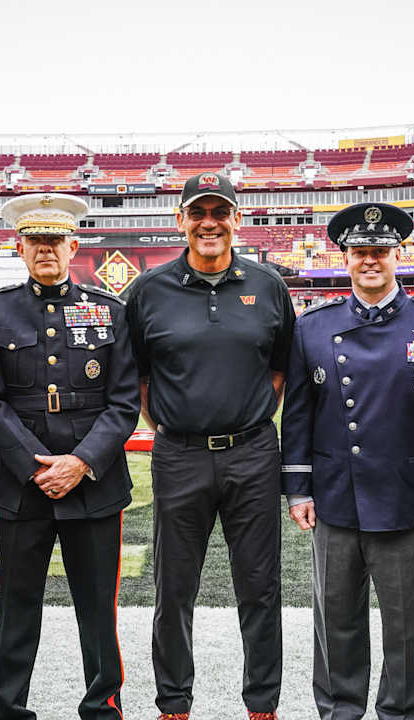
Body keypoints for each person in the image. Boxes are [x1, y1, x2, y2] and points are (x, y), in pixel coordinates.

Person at [280, 202, 414, 720]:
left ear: (397, 255)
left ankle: (403, 714)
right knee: (335, 623)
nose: (370, 261)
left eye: (380, 251)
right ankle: (340, 712)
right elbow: (297, 414)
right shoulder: (312, 328)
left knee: (409, 629)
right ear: (345, 257)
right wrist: (298, 489)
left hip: (408, 505)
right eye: (360, 252)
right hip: (335, 501)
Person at [124, 172, 293, 720]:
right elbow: (140, 378)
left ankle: (262, 705)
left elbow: (280, 371)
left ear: (236, 220)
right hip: (180, 453)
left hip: (253, 452)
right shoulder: (149, 290)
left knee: (260, 587)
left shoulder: (268, 285)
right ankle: (174, 704)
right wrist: (182, 423)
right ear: (181, 221)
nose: (209, 223)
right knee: (173, 589)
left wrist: (240, 416)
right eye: (198, 213)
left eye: (220, 212)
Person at [0, 193, 139, 720]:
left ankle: (103, 708)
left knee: (97, 610)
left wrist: (80, 462)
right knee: (16, 609)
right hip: (25, 489)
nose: (45, 248)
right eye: (35, 239)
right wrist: (39, 465)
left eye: (55, 239)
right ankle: (8, 709)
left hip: (94, 485)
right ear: (19, 246)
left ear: (74, 245)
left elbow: (124, 403)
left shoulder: (109, 312)